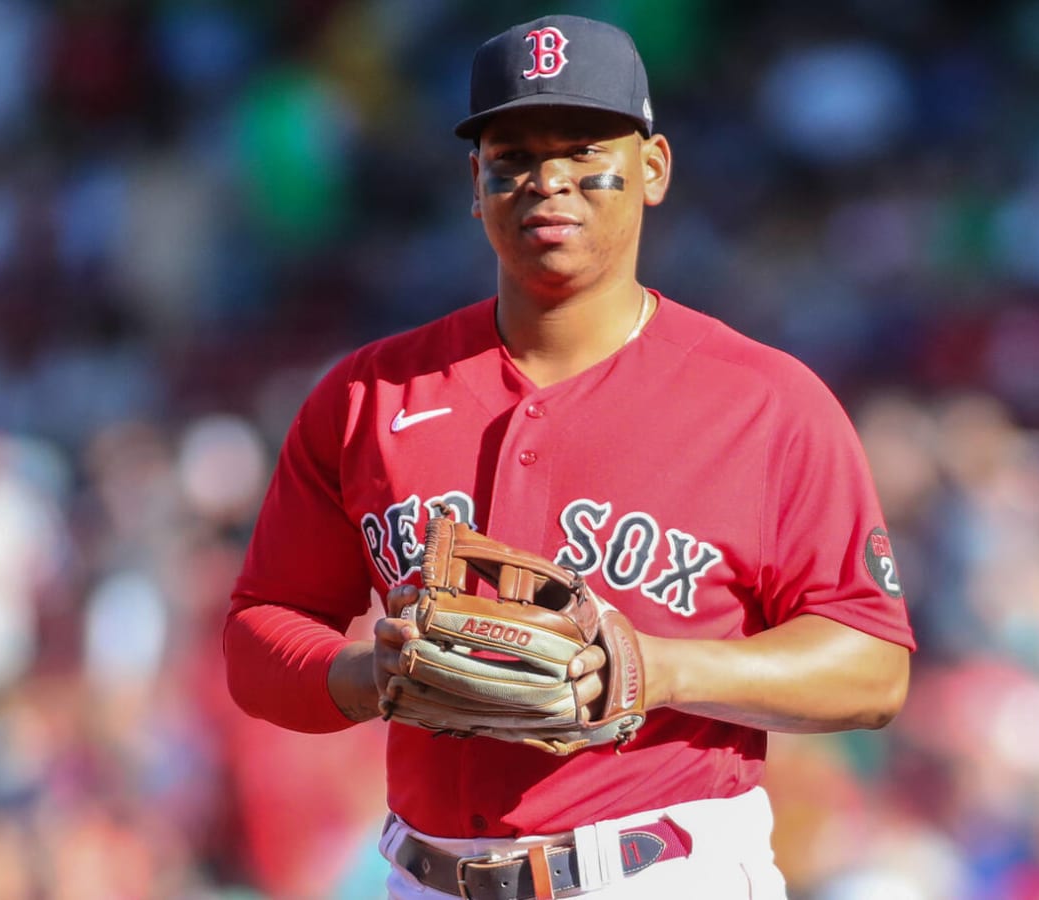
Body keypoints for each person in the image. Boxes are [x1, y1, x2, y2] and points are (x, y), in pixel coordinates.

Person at [223, 14, 916, 899]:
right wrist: (365, 676)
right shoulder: (369, 395)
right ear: (475, 183)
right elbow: (258, 631)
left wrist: (661, 668)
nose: (548, 182)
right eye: (512, 155)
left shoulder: (767, 402)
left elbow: (871, 665)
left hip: (660, 872)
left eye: (584, 149)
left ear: (653, 169)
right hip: (430, 877)